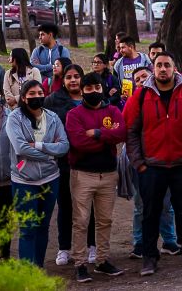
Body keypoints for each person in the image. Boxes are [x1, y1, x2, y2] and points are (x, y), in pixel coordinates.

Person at [125, 51, 182, 276]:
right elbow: (131, 132)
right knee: (150, 212)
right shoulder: (141, 96)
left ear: (174, 68)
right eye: (159, 65)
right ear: (153, 68)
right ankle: (150, 256)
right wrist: (139, 163)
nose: (163, 69)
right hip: (151, 166)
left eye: (167, 65)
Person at [65, 72, 126, 282]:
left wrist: (97, 133)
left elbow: (122, 133)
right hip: (82, 175)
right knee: (81, 221)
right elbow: (79, 142)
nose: (93, 92)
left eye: (97, 88)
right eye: (89, 89)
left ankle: (102, 260)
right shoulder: (74, 114)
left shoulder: (113, 110)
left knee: (105, 220)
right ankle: (80, 263)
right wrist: (107, 137)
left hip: (108, 174)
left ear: (102, 89)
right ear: (82, 91)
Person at [6, 80, 69, 267]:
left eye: (39, 92)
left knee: (43, 226)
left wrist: (41, 146)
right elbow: (21, 148)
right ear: (24, 98)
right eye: (31, 94)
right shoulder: (14, 118)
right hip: (23, 180)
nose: (36, 97)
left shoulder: (53, 117)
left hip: (50, 179)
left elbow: (64, 146)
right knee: (27, 229)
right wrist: (50, 154)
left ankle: (38, 267)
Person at [44, 64, 97, 266]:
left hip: (90, 163)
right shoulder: (53, 101)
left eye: (77, 76)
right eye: (69, 77)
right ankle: (64, 248)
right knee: (65, 207)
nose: (73, 80)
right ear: (63, 80)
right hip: (65, 164)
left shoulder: (92, 98)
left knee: (89, 207)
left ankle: (92, 246)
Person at [126, 65, 180, 260]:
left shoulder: (163, 100)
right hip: (140, 162)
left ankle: (169, 240)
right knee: (142, 204)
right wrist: (138, 162)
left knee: (166, 203)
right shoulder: (133, 102)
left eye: (144, 77)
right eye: (137, 79)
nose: (141, 81)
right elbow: (129, 133)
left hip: (163, 161)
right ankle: (140, 242)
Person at [0, 100, 11, 260]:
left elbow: (22, 149)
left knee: (6, 220)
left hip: (9, 180)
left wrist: (18, 168)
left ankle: (5, 255)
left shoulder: (12, 117)